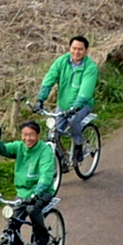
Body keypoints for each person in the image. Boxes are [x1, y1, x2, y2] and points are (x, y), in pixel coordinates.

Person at [0, 117, 59, 245]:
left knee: (32, 210)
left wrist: (36, 194)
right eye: (25, 135)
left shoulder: (45, 151)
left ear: (38, 135)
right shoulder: (19, 147)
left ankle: (42, 236)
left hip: (42, 192)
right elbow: (2, 150)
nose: (28, 139)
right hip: (23, 193)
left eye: (31, 135)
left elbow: (46, 175)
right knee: (12, 225)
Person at [36, 34, 98, 166]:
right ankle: (60, 159)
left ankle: (78, 145)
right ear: (69, 48)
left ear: (86, 51)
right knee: (54, 132)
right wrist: (40, 99)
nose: (76, 52)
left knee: (74, 120)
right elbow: (49, 79)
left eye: (80, 49)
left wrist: (75, 107)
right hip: (63, 104)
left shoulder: (90, 67)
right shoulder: (61, 62)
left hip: (82, 106)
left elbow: (85, 91)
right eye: (74, 48)